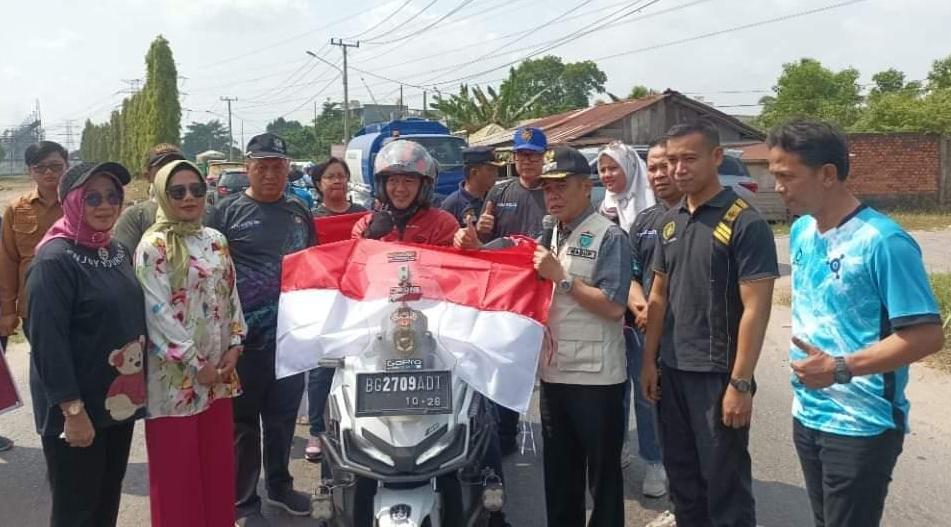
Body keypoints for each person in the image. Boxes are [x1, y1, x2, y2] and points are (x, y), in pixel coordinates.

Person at [768, 119, 945, 527]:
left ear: (827, 174)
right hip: (808, 411)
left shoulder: (883, 241)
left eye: (785, 176)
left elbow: (925, 335)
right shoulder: (801, 232)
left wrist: (840, 368)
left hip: (861, 423)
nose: (777, 186)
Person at [641, 120, 778, 527]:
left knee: (725, 487)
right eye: (671, 161)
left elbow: (757, 308)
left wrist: (740, 382)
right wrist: (649, 360)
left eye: (689, 159)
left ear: (716, 157)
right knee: (684, 482)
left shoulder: (743, 222)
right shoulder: (671, 222)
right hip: (674, 371)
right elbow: (659, 297)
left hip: (718, 375)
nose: (678, 169)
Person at [25, 161, 145, 527]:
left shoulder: (117, 250)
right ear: (72, 201)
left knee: (107, 496)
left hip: (115, 403)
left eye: (112, 196)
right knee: (77, 508)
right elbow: (48, 343)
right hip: (76, 409)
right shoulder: (54, 260)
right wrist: (72, 412)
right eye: (92, 197)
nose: (104, 205)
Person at [206, 133, 317, 526]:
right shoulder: (224, 213)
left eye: (278, 166)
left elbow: (314, 267)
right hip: (243, 341)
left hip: (291, 338)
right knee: (243, 424)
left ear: (288, 169)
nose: (271, 174)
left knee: (283, 418)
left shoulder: (300, 210)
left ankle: (281, 486)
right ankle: (244, 502)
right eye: (262, 166)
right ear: (248, 168)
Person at [135, 159, 248, 527]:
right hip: (176, 382)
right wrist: (197, 366)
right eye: (178, 191)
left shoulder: (215, 240)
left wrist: (235, 345)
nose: (189, 198)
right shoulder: (153, 246)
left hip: (218, 376)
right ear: (161, 195)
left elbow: (231, 297)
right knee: (177, 478)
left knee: (216, 471)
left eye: (197, 190)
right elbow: (158, 313)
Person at [531, 145, 631, 526]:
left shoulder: (609, 237)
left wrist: (564, 279)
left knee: (603, 478)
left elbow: (613, 305)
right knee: (559, 474)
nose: (553, 195)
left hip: (596, 379)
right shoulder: (549, 234)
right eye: (547, 189)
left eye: (561, 186)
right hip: (554, 374)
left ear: (585, 188)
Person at [597, 140, 666, 497]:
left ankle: (655, 461)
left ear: (631, 169)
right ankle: (620, 443)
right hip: (611, 310)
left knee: (646, 386)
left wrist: (643, 307)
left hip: (646, 312)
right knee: (614, 383)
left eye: (614, 168)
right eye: (603, 169)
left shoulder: (652, 210)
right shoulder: (603, 209)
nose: (608, 175)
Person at [475, 127, 549, 455]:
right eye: (521, 155)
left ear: (544, 157)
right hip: (507, 294)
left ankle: (556, 432)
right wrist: (480, 230)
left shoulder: (554, 190)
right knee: (506, 363)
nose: (527, 161)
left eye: (533, 155)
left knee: (548, 366)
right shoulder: (499, 192)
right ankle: (505, 434)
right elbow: (482, 244)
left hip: (545, 289)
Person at [0, 140, 68, 452]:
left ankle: (79, 422)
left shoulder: (80, 202)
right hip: (34, 306)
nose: (49, 173)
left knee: (75, 363)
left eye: (55, 166)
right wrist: (7, 309)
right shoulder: (17, 209)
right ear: (31, 172)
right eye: (41, 168)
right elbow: (8, 261)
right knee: (44, 367)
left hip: (77, 302)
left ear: (65, 166)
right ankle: (50, 430)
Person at [304, 156, 366, 462]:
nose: (338, 181)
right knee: (322, 370)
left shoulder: (364, 217)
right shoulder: (310, 218)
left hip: (359, 301)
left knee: (360, 363)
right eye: (331, 176)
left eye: (342, 175)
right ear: (319, 184)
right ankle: (317, 430)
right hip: (325, 302)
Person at [351, 139, 460, 245]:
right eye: (393, 181)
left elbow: (452, 261)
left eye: (408, 181)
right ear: (382, 186)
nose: (400, 189)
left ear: (423, 186)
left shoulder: (442, 225)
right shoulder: (365, 225)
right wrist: (369, 236)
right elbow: (355, 259)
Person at [113, 144, 186, 253]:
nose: (171, 171)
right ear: (148, 176)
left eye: (177, 166)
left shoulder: (203, 211)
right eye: (163, 167)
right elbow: (125, 261)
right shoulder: (135, 217)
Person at [441, 146, 502, 226]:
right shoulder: (452, 205)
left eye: (496, 170)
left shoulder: (496, 199)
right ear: (474, 172)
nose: (496, 175)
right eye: (491, 170)